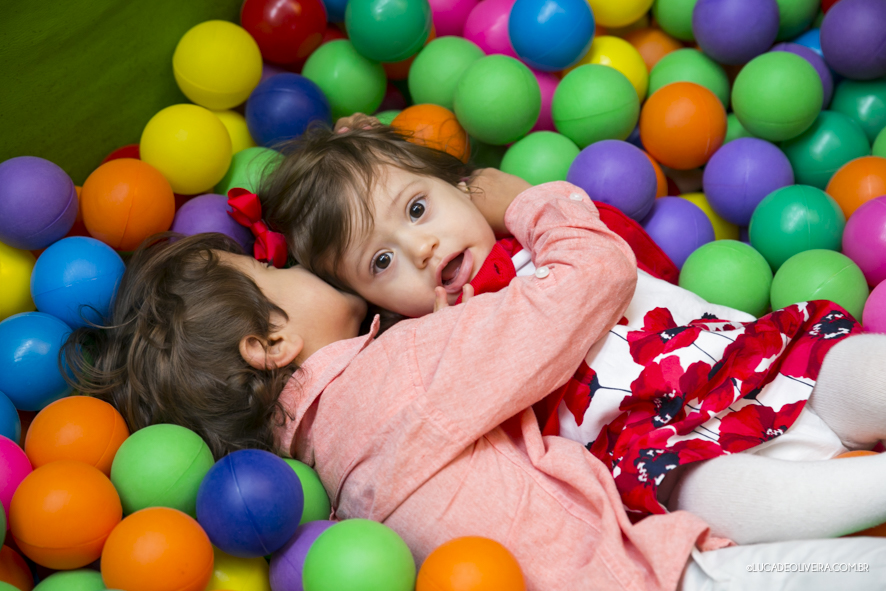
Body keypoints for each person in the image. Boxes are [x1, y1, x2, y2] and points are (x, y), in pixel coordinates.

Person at [67, 175, 886, 590]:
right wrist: (525, 202)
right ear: (271, 339)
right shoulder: (395, 373)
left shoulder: (326, 469)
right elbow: (589, 277)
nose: (286, 262)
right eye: (269, 268)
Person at [258, 123, 886, 548]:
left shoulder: (547, 235)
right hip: (662, 450)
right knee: (723, 500)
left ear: (460, 185)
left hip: (747, 360)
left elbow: (638, 263)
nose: (420, 248)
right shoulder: (427, 351)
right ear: (374, 305)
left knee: (859, 368)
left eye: (418, 209)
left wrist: (520, 202)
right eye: (381, 263)